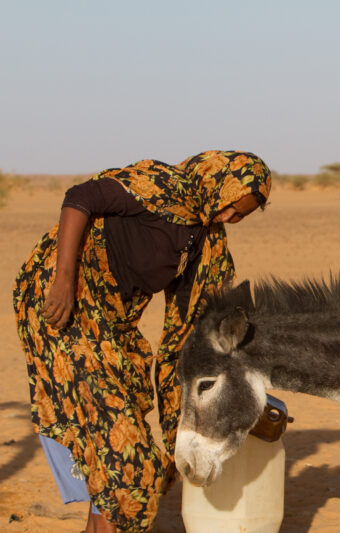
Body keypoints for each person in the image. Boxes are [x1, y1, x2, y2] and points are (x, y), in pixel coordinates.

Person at [13, 150, 271, 533]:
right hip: (63, 305)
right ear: (220, 185)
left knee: (132, 437)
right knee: (124, 448)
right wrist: (64, 279)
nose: (229, 219)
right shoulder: (157, 185)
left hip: (112, 323)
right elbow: (79, 197)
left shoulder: (203, 241)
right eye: (231, 208)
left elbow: (191, 333)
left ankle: (100, 526)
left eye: (239, 217)